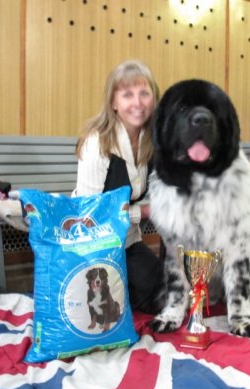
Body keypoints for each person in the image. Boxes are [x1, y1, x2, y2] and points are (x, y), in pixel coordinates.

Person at [73, 59, 162, 314]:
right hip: (92, 248)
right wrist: (142, 213)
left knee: (163, 294)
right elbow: (87, 213)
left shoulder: (151, 143)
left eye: (144, 93)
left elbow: (156, 196)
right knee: (106, 303)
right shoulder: (96, 143)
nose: (138, 102)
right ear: (114, 103)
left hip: (127, 243)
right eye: (127, 95)